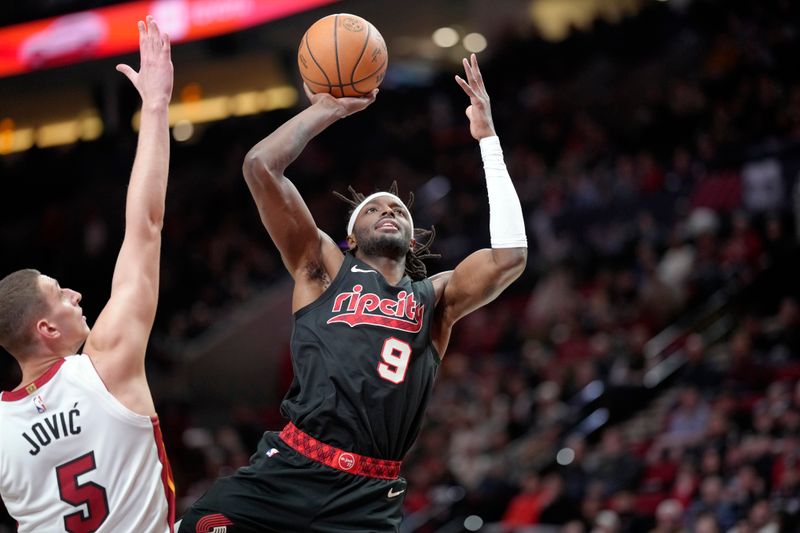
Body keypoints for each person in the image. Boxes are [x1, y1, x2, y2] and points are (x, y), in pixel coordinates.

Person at [178, 53, 527, 532]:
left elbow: (509, 257)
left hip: (368, 495)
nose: (389, 209)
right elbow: (261, 167)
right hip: (291, 467)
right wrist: (329, 109)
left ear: (411, 236)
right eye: (374, 208)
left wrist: (488, 141)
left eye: (398, 209)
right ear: (352, 238)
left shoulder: (434, 299)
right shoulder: (322, 269)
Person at [0, 16, 175, 533]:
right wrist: (157, 107)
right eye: (59, 294)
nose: (75, 293)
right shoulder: (106, 364)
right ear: (46, 330)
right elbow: (144, 226)